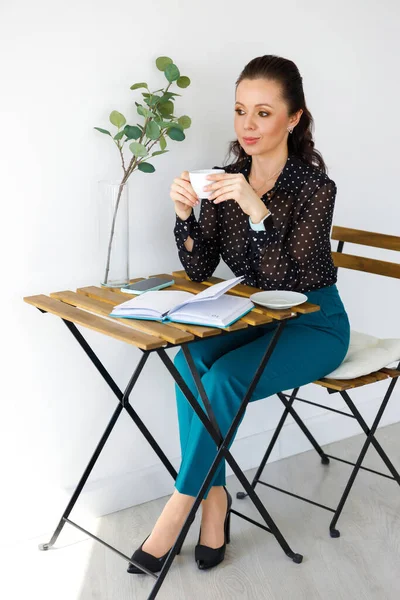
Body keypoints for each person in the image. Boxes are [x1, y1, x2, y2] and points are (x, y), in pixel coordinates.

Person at [128, 54, 350, 574]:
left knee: (224, 376)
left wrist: (256, 207)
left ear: (294, 119)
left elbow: (291, 280)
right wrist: (185, 215)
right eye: (240, 111)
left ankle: (179, 504)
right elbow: (201, 266)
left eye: (264, 113)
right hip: (252, 317)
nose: (248, 125)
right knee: (187, 361)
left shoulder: (317, 189)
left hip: (314, 323)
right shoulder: (226, 179)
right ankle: (216, 500)